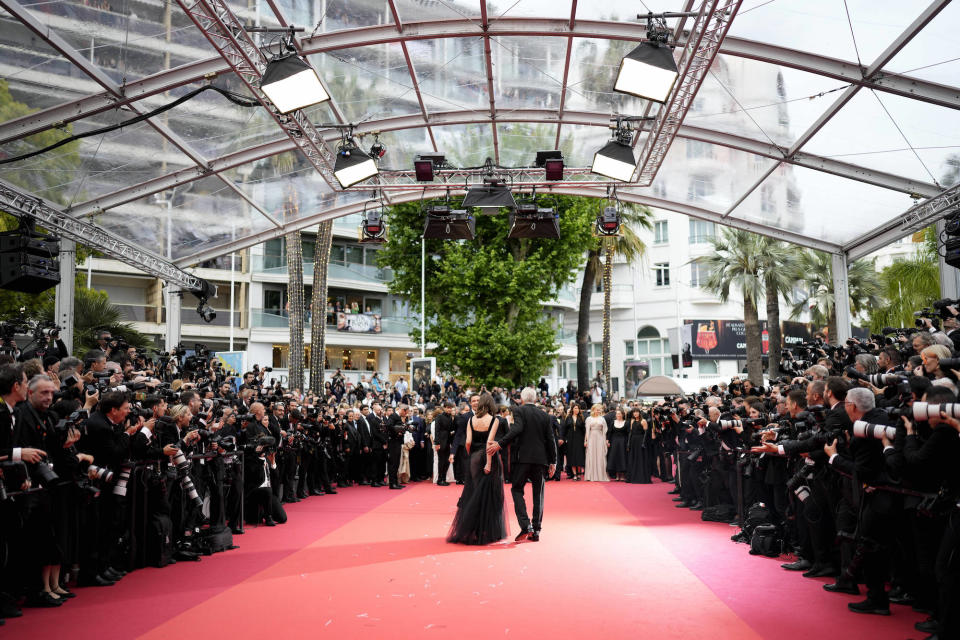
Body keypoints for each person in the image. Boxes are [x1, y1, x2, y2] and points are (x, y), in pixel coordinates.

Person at [487, 387, 556, 542]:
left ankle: (526, 526)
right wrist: (553, 461)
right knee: (538, 494)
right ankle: (536, 529)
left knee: (517, 489)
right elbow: (550, 440)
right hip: (540, 460)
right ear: (535, 399)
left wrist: (500, 443)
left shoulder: (519, 411)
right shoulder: (544, 415)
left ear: (522, 399)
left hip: (522, 458)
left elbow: (517, 429)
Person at [447, 393, 506, 545]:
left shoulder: (471, 420)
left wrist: (471, 454)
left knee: (474, 491)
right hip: (487, 458)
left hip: (473, 458)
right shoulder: (494, 420)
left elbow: (467, 442)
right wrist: (488, 463)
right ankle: (486, 531)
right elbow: (489, 443)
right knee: (490, 495)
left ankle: (471, 529)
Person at [626, 407, 652, 484]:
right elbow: (630, 433)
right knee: (633, 458)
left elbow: (646, 433)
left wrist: (643, 443)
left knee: (641, 458)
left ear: (639, 413)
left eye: (637, 412)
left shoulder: (643, 421)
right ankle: (633, 477)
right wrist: (628, 443)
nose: (635, 413)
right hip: (633, 441)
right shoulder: (632, 421)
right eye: (634, 412)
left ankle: (641, 478)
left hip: (640, 441)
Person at [584, 404, 609, 482]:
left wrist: (605, 441)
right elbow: (587, 430)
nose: (598, 411)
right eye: (597, 409)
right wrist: (586, 440)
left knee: (599, 455)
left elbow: (605, 431)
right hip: (591, 438)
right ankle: (590, 475)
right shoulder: (589, 419)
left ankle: (600, 475)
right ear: (593, 410)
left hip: (600, 438)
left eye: (599, 410)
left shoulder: (602, 419)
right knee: (591, 455)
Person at [563, 404, 585, 480]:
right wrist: (564, 439)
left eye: (578, 408)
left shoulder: (581, 418)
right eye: (575, 408)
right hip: (570, 440)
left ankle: (579, 473)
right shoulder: (568, 418)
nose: (577, 410)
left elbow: (584, 430)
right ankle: (574, 474)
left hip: (579, 440)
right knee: (571, 457)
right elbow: (564, 430)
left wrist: (585, 440)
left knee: (579, 457)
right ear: (572, 409)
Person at [606, 408, 628, 481]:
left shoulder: (626, 422)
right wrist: (607, 441)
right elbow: (609, 432)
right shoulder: (613, 422)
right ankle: (617, 475)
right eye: (617, 414)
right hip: (614, 442)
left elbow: (628, 434)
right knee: (614, 458)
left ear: (622, 414)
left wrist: (628, 443)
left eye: (619, 414)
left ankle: (622, 475)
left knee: (622, 457)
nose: (618, 415)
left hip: (623, 442)